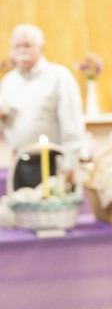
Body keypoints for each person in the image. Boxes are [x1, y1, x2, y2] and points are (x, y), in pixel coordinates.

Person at [0, 24, 85, 188]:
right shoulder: (9, 81)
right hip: (20, 163)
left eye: (27, 45)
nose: (22, 50)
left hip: (52, 162)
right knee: (21, 212)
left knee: (53, 212)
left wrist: (70, 163)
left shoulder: (59, 76)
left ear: (41, 48)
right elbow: (5, 124)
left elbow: (72, 123)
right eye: (17, 46)